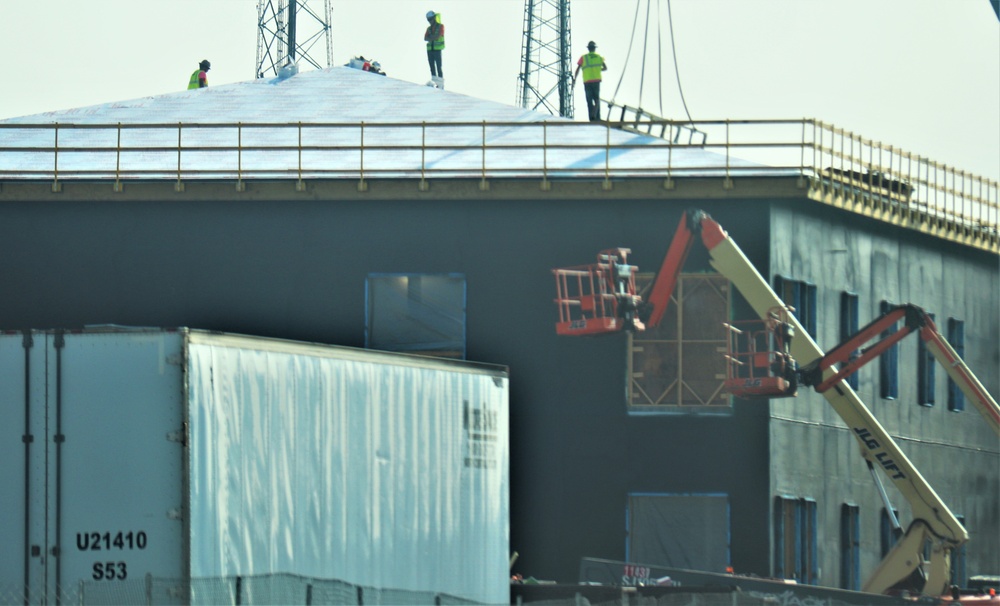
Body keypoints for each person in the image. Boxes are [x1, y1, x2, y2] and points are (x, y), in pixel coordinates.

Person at [573, 42, 607, 121]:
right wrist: (598, 70)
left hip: (587, 82)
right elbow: (605, 68)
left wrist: (575, 79)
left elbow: (577, 69)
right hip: (596, 81)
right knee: (597, 100)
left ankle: (591, 119)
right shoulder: (599, 57)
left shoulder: (583, 58)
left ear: (588, 48)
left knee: (589, 101)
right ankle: (597, 118)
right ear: (594, 48)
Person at [424, 10, 445, 89]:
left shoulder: (440, 26)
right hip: (430, 50)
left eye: (431, 19)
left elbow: (438, 36)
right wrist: (432, 38)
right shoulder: (428, 29)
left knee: (439, 67)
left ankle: (441, 84)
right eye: (428, 19)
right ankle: (434, 82)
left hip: (437, 50)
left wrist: (431, 38)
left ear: (434, 18)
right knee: (432, 67)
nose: (429, 21)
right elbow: (425, 38)